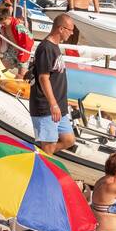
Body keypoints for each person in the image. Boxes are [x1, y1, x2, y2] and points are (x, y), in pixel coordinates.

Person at [30, 13, 76, 155]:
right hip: (46, 106)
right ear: (61, 29)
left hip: (59, 106)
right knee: (48, 147)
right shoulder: (46, 48)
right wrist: (53, 104)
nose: (72, 33)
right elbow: (44, 78)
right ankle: (43, 160)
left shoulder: (55, 47)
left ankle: (41, 155)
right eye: (70, 30)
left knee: (69, 139)